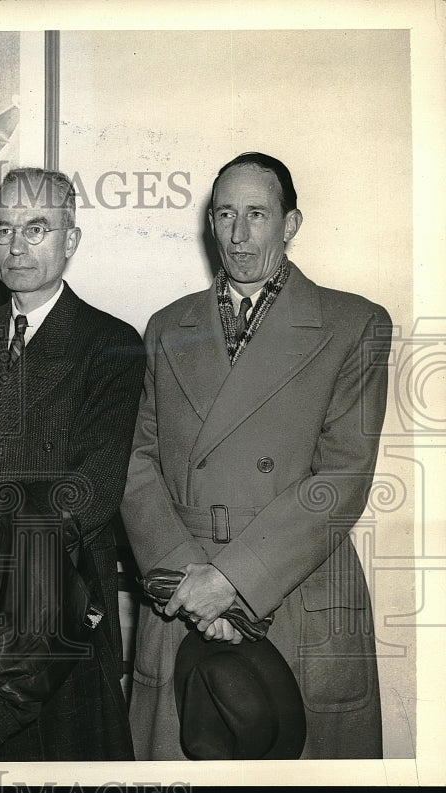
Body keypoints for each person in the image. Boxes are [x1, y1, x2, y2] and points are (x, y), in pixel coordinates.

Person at [120, 152, 392, 759]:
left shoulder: (354, 324)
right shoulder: (166, 327)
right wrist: (185, 578)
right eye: (224, 215)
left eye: (257, 215)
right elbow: (137, 463)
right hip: (181, 585)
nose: (238, 236)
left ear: (290, 224)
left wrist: (235, 582)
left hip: (292, 582)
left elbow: (342, 477)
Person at [0, 167, 145, 760]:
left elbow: (94, 488)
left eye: (36, 229)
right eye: (3, 229)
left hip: (55, 603)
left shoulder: (110, 341)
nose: (15, 247)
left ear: (71, 241)